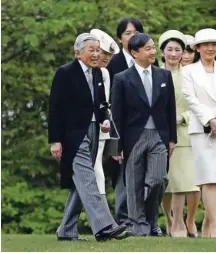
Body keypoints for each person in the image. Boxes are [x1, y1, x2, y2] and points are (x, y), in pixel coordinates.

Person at [48, 33, 127, 241]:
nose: (96, 54)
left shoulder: (99, 73)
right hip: (72, 135)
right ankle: (104, 227)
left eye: (97, 49)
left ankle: (66, 230)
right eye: (91, 49)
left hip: (93, 131)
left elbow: (100, 104)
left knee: (80, 183)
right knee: (88, 179)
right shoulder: (65, 73)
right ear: (77, 52)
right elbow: (54, 108)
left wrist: (104, 119)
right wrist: (55, 141)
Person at [111, 33, 177, 236]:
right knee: (133, 184)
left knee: (158, 179)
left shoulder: (164, 75)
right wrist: (116, 146)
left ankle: (150, 219)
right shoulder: (122, 78)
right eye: (148, 48)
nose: (153, 52)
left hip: (159, 135)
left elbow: (170, 109)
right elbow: (116, 114)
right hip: (133, 137)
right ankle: (137, 225)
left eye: (153, 47)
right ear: (135, 52)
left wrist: (172, 139)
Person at [106, 17, 162, 236]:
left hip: (151, 131)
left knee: (155, 178)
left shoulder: (153, 64)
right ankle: (124, 221)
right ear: (120, 37)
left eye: (136, 32)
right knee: (123, 177)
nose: (131, 36)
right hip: (122, 129)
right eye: (127, 33)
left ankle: (148, 220)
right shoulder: (113, 64)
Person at [181, 28, 216, 239]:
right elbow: (190, 98)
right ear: (197, 48)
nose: (210, 48)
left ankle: (207, 223)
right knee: (207, 179)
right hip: (201, 129)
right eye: (205, 44)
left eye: (213, 44)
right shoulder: (189, 71)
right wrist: (210, 120)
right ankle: (214, 227)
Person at [158, 30, 200, 238]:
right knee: (165, 182)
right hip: (157, 134)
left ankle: (180, 225)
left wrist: (181, 117)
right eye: (170, 50)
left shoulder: (190, 76)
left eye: (178, 50)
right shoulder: (154, 73)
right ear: (162, 52)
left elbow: (199, 105)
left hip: (183, 134)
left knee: (181, 182)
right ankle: (170, 219)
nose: (174, 54)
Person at [89, 28, 120, 202]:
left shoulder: (105, 73)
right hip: (83, 128)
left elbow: (105, 103)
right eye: (103, 53)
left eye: (109, 54)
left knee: (97, 167)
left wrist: (106, 121)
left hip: (100, 126)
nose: (107, 58)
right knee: (88, 171)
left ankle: (102, 214)